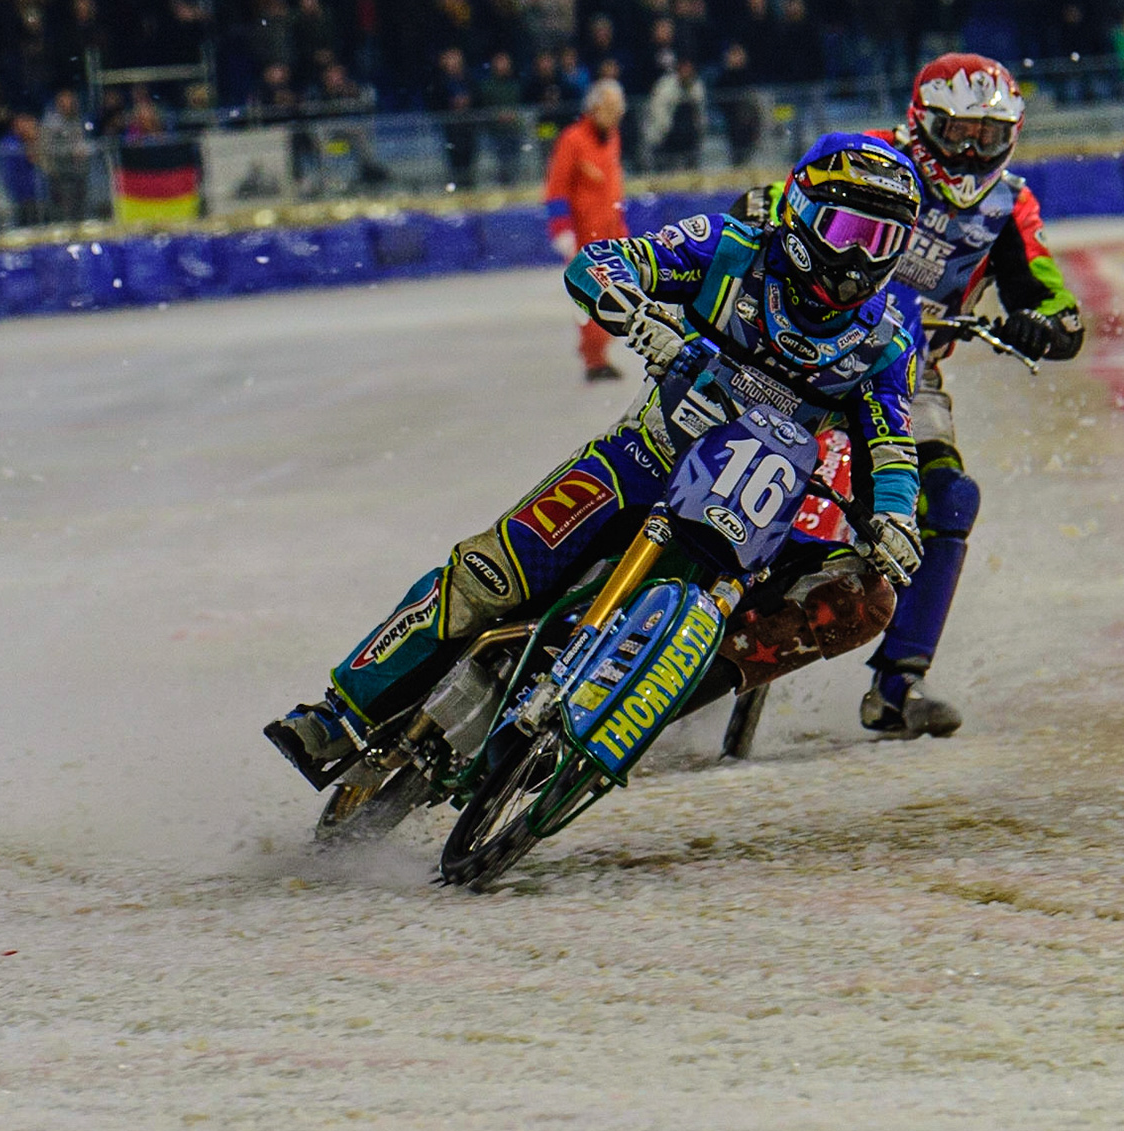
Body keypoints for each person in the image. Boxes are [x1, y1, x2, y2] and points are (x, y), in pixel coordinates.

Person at [267, 134, 927, 776]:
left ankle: (660, 701)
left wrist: (896, 517)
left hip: (754, 519)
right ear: (802, 213)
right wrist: (637, 314)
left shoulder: (884, 344)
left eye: (882, 241)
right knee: (490, 573)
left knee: (865, 599)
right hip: (643, 460)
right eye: (849, 231)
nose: (859, 257)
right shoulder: (729, 248)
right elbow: (605, 262)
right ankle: (339, 712)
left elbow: (891, 442)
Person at [735, 54, 1084, 736]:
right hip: (802, 336)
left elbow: (1051, 296)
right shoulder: (867, 157)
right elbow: (775, 206)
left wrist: (1046, 324)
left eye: (988, 137)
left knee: (949, 497)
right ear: (922, 125)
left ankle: (899, 685)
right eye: (958, 134)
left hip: (907, 372)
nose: (971, 153)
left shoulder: (1010, 206)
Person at [544, 78, 628, 382]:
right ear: (594, 107)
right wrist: (561, 230)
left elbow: (613, 187)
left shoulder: (613, 137)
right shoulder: (572, 139)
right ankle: (594, 357)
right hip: (583, 237)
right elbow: (556, 188)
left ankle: (597, 353)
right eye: (610, 107)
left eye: (619, 108)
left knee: (617, 296)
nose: (616, 113)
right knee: (592, 298)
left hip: (611, 233)